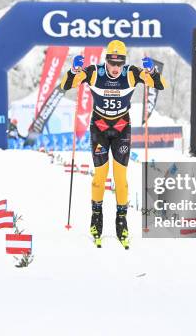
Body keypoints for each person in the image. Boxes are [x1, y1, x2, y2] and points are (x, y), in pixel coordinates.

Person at [60, 40, 166, 248]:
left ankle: (121, 221)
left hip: (121, 129)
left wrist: (152, 71)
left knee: (120, 177)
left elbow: (160, 85)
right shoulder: (94, 72)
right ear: (106, 60)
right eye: (112, 62)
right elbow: (66, 85)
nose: (116, 68)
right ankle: (96, 218)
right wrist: (73, 70)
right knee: (100, 176)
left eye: (119, 63)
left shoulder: (131, 73)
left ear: (124, 62)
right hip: (99, 128)